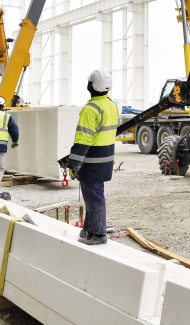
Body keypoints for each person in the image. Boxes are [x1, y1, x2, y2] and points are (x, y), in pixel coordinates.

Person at [68, 69, 118, 246]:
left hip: (92, 161)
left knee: (94, 197)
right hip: (105, 159)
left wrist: (73, 164)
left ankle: (98, 234)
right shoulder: (111, 105)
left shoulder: (90, 109)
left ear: (91, 86)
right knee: (93, 195)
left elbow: (83, 139)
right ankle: (90, 229)